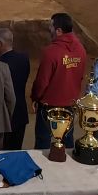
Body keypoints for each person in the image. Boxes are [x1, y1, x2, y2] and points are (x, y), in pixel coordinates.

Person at [31, 13, 87, 150]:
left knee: (43, 140)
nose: (49, 29)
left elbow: (42, 81)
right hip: (69, 104)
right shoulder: (81, 49)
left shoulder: (51, 52)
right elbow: (80, 76)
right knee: (67, 139)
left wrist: (35, 97)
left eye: (51, 26)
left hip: (49, 106)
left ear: (58, 31)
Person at [0, 28, 30, 150]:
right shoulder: (24, 59)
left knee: (2, 155)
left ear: (0, 44)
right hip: (21, 114)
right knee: (16, 151)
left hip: (4, 117)